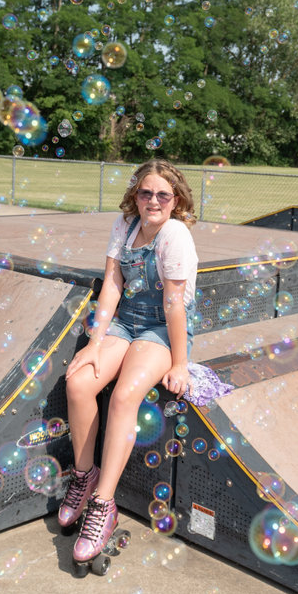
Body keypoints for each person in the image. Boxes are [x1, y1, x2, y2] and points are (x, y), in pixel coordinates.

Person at [59, 158, 198, 564]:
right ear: (134, 195)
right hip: (126, 320)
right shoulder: (124, 225)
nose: (152, 200)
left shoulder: (175, 236)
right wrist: (94, 342)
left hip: (162, 328)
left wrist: (180, 363)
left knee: (123, 398)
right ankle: (85, 477)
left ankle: (103, 505)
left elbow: (174, 305)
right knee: (80, 382)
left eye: (162, 195)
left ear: (176, 200)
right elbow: (113, 285)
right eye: (145, 192)